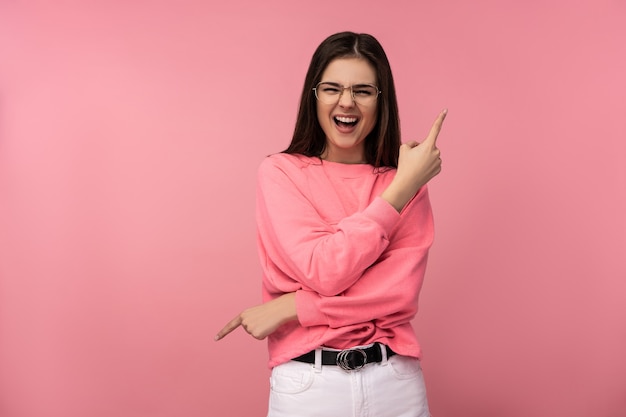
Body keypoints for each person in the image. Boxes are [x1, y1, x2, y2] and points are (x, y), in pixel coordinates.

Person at [215, 31, 446, 417]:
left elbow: (397, 295)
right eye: (332, 88)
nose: (346, 102)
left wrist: (295, 306)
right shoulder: (281, 173)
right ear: (314, 95)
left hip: (395, 384)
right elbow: (324, 270)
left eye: (363, 91)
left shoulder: (405, 180)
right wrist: (400, 190)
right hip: (309, 386)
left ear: (380, 99)